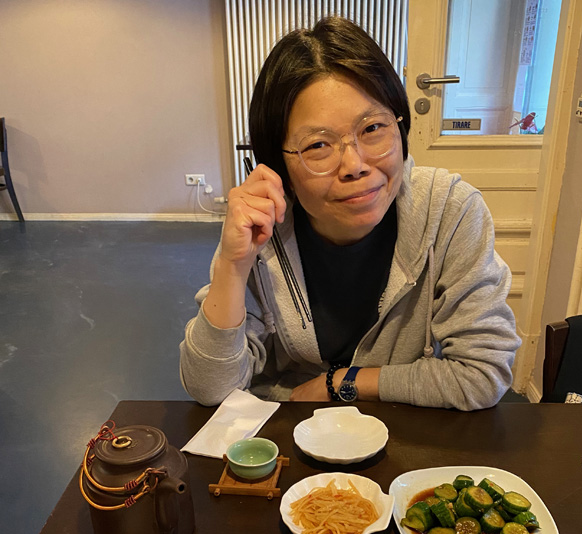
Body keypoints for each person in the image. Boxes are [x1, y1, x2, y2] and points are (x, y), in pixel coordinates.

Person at [180, 16, 521, 410]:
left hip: (403, 428)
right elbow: (211, 388)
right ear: (278, 164)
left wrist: (343, 382)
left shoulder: (449, 210)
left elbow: (482, 373)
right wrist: (232, 265)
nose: (355, 165)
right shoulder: (263, 226)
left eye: (372, 128)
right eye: (318, 146)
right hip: (292, 428)